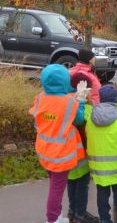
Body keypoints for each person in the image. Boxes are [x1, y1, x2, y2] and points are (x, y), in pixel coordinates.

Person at [29, 64, 87, 223]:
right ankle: (53, 219)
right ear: (64, 81)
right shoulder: (69, 103)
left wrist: (74, 96)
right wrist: (80, 99)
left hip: (45, 151)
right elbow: (79, 118)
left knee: (54, 185)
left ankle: (58, 216)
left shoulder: (41, 97)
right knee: (57, 190)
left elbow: (56, 104)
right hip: (61, 155)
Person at [88, 85, 117, 223]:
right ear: (116, 99)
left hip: (98, 165)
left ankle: (104, 219)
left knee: (102, 194)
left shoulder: (92, 117)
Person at [66, 73, 98, 223]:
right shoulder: (85, 108)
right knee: (82, 183)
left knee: (71, 181)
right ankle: (80, 213)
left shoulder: (65, 103)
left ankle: (72, 211)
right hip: (82, 153)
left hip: (67, 152)